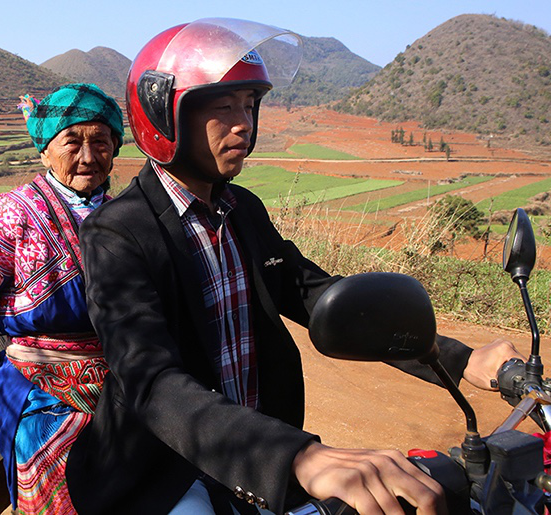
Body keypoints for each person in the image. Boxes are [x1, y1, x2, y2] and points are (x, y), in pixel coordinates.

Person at [69, 19, 523, 514]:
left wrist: (461, 360)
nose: (243, 123)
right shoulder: (116, 233)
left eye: (249, 104)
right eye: (223, 106)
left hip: (257, 452)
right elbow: (151, 380)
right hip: (166, 468)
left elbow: (319, 296)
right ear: (163, 115)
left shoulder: (242, 210)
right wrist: (298, 455)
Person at [0, 83, 123, 514]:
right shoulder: (8, 215)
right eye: (72, 142)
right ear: (45, 152)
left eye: (101, 142)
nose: (88, 156)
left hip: (130, 394)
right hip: (42, 398)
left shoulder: (129, 213)